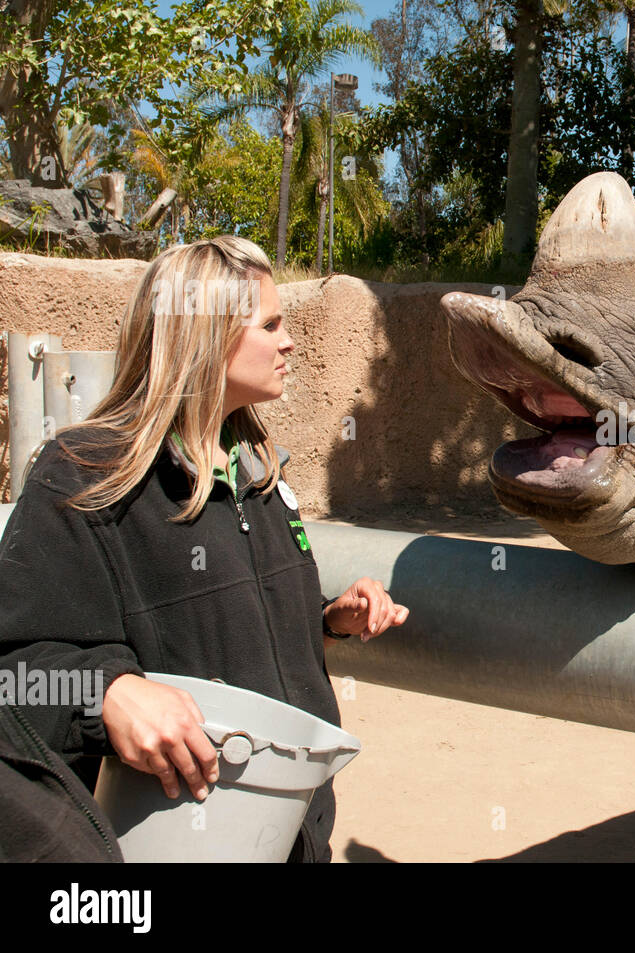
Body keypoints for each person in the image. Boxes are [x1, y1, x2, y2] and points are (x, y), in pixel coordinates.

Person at [0, 235, 408, 862]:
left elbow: (223, 627)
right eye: (270, 325)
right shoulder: (84, 475)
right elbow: (16, 675)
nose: (289, 341)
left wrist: (326, 620)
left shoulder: (259, 473)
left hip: (290, 837)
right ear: (207, 336)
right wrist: (106, 693)